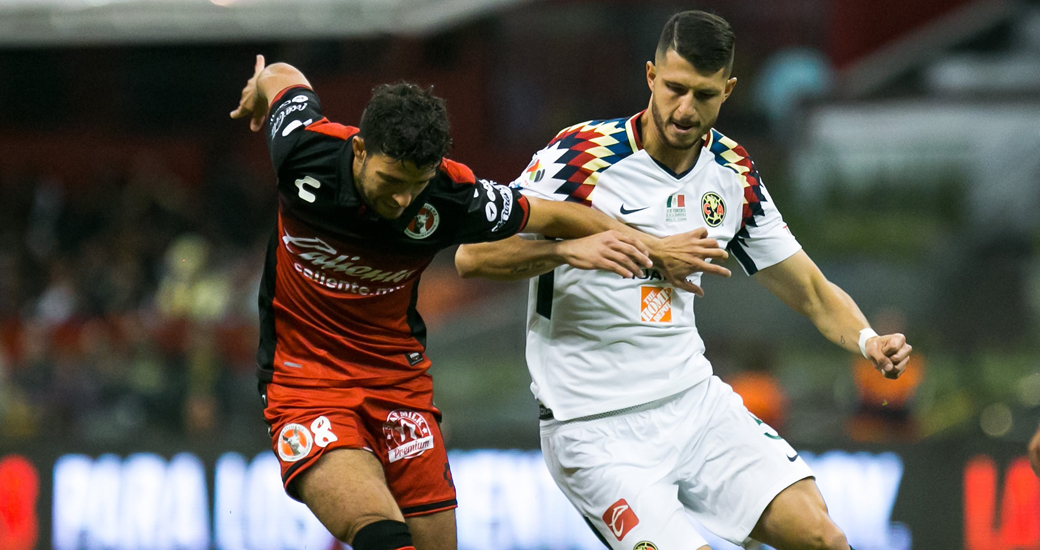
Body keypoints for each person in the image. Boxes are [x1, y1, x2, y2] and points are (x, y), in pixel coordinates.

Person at [455, 11, 913, 550]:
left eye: (703, 94)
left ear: (728, 90)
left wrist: (867, 339)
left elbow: (810, 290)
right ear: (650, 76)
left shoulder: (733, 174)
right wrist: (575, 249)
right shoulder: (581, 158)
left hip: (693, 403)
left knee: (822, 537)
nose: (685, 109)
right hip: (593, 427)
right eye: (673, 88)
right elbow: (472, 256)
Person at [229, 56, 725, 550]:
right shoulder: (303, 150)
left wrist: (654, 250)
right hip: (305, 379)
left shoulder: (452, 196)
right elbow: (283, 77)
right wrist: (258, 88)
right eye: (390, 182)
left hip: (397, 383)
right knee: (381, 534)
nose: (403, 202)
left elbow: (562, 214)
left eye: (415, 186)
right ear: (359, 150)